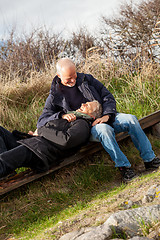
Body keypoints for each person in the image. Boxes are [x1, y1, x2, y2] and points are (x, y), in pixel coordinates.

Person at [37, 58, 160, 182]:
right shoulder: (54, 96)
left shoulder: (87, 79)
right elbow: (42, 120)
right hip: (88, 128)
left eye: (74, 75)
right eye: (68, 79)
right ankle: (124, 168)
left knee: (131, 119)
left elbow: (107, 96)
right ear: (59, 76)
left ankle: (149, 160)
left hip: (106, 116)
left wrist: (107, 115)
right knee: (104, 129)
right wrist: (62, 115)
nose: (73, 80)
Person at [0, 100, 102, 179]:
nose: (83, 104)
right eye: (85, 103)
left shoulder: (82, 124)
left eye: (87, 106)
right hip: (33, 143)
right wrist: (35, 135)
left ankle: (4, 167)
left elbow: (66, 140)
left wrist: (41, 131)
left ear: (92, 116)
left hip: (40, 153)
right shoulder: (70, 118)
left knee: (3, 160)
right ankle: (7, 171)